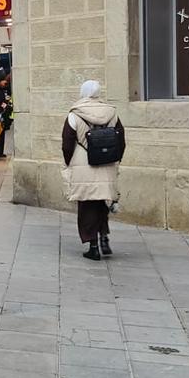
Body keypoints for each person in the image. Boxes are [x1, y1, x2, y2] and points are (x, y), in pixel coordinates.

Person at [61, 80, 125, 261]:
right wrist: (115, 159)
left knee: (87, 204)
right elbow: (121, 140)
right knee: (102, 202)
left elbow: (67, 143)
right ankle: (104, 237)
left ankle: (93, 245)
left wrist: (68, 163)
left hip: (83, 162)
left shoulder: (75, 114)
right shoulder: (112, 113)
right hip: (107, 162)